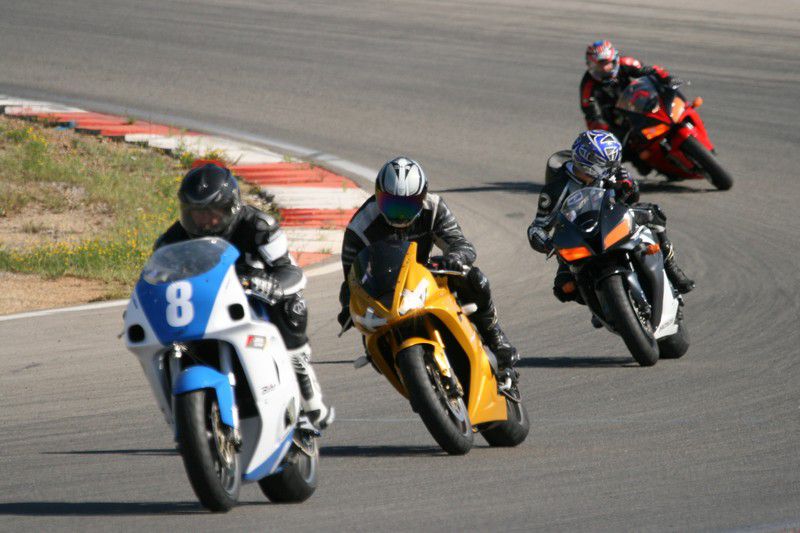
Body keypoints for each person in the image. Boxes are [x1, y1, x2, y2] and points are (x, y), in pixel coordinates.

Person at [154, 162, 333, 429]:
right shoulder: (171, 242)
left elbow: (291, 271)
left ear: (232, 207)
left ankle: (307, 390)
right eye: (195, 214)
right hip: (202, 306)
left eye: (213, 213)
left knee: (292, 306)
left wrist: (271, 284)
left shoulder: (259, 227)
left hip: (252, 299)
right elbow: (155, 282)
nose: (204, 222)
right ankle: (183, 413)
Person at [337, 156, 520, 371]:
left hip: (426, 276)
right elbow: (351, 277)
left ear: (422, 197)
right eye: (392, 204)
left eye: (408, 205)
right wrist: (350, 307)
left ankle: (496, 338)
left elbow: (462, 245)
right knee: (373, 348)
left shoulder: (433, 207)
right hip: (385, 291)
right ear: (378, 196)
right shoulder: (359, 228)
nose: (400, 214)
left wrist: (454, 258)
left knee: (473, 278)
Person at [527, 130, 695, 310]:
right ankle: (601, 303)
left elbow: (632, 198)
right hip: (579, 237)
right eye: (606, 163)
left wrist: (629, 186)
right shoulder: (557, 187)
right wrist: (549, 245)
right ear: (590, 160)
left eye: (614, 161)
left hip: (612, 221)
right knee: (564, 288)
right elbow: (537, 228)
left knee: (655, 213)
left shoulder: (613, 171)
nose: (613, 167)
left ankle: (671, 267)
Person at [581, 40, 673, 168]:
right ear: (590, 65)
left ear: (614, 60)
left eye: (607, 64)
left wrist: (666, 78)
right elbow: (590, 113)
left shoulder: (626, 63)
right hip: (614, 118)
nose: (605, 68)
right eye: (599, 65)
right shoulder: (588, 85)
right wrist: (602, 130)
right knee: (618, 153)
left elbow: (648, 71)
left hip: (636, 102)